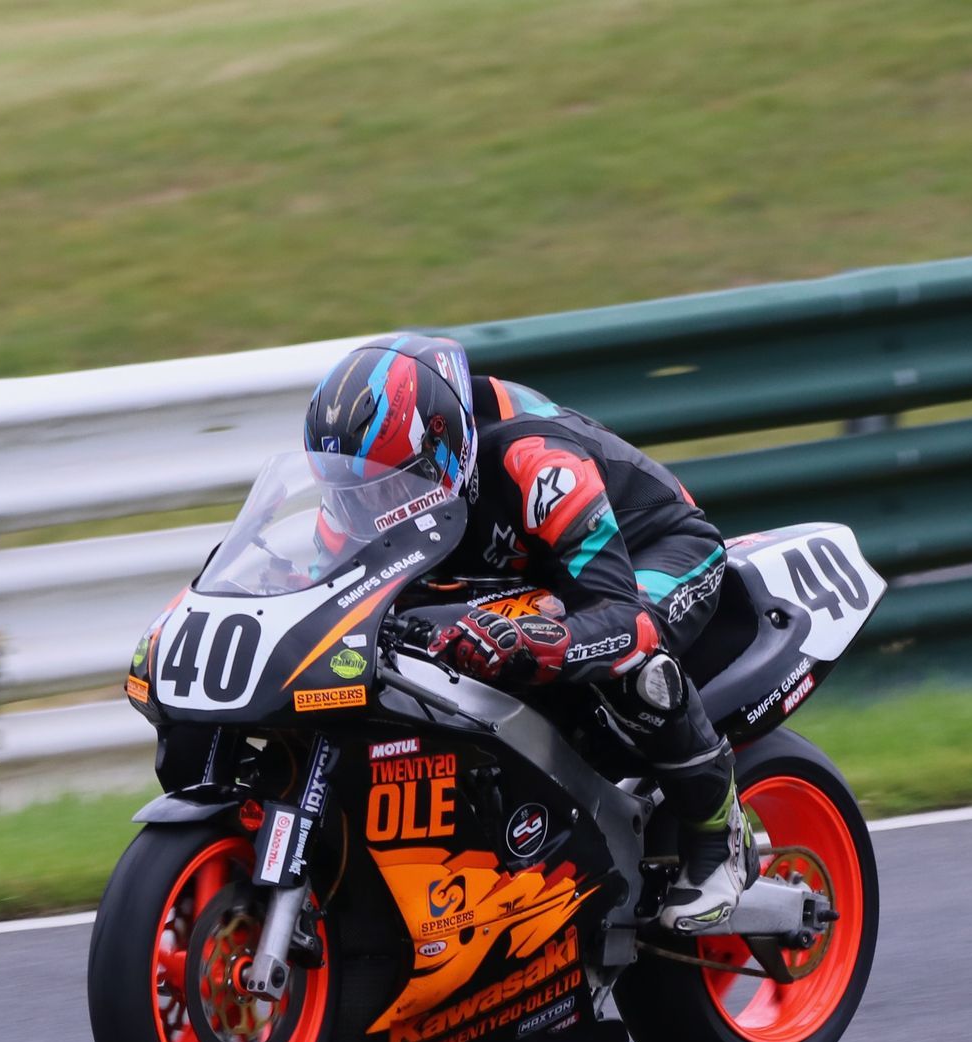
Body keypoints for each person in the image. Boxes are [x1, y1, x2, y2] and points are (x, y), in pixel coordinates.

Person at [302, 333, 752, 933]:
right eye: (351, 486)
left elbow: (623, 618)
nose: (368, 504)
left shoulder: (536, 461)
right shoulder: (353, 503)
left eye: (389, 484)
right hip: (527, 574)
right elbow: (323, 604)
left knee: (636, 666)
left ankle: (717, 837)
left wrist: (543, 641)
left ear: (443, 448)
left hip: (651, 553)